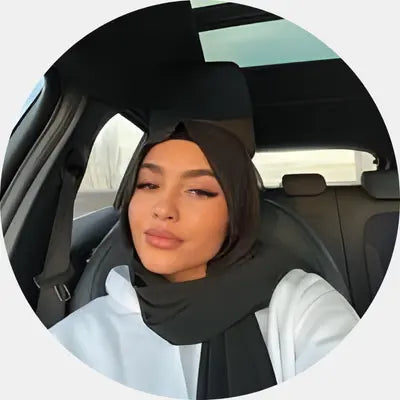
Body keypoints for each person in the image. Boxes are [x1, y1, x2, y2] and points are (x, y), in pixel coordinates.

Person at [50, 119, 359, 399]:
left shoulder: (299, 307)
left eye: (197, 191)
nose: (163, 209)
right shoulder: (78, 338)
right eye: (148, 185)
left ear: (236, 212)